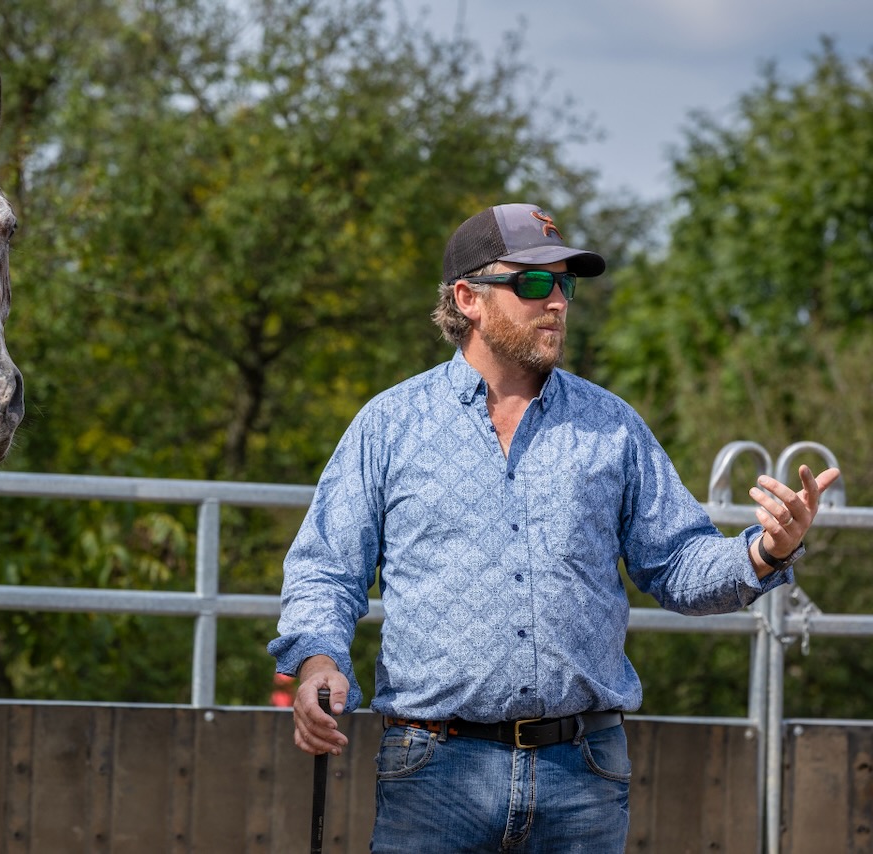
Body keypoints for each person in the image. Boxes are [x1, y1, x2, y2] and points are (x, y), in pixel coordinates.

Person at [267, 202, 840, 852]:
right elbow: (325, 569)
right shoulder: (389, 425)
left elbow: (678, 564)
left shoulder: (612, 425)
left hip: (583, 775)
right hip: (432, 773)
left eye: (564, 283)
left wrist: (766, 551)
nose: (558, 301)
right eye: (534, 282)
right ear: (468, 298)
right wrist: (319, 662)